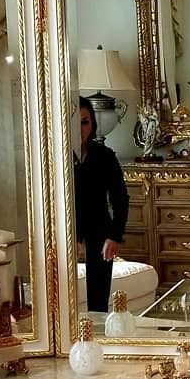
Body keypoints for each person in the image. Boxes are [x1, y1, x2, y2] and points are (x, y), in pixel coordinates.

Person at [73, 97, 129, 312]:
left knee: (98, 299)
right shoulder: (57, 157)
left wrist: (115, 236)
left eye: (85, 122)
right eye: (75, 122)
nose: (81, 128)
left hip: (99, 228)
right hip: (67, 228)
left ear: (93, 124)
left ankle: (96, 339)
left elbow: (120, 198)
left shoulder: (104, 156)